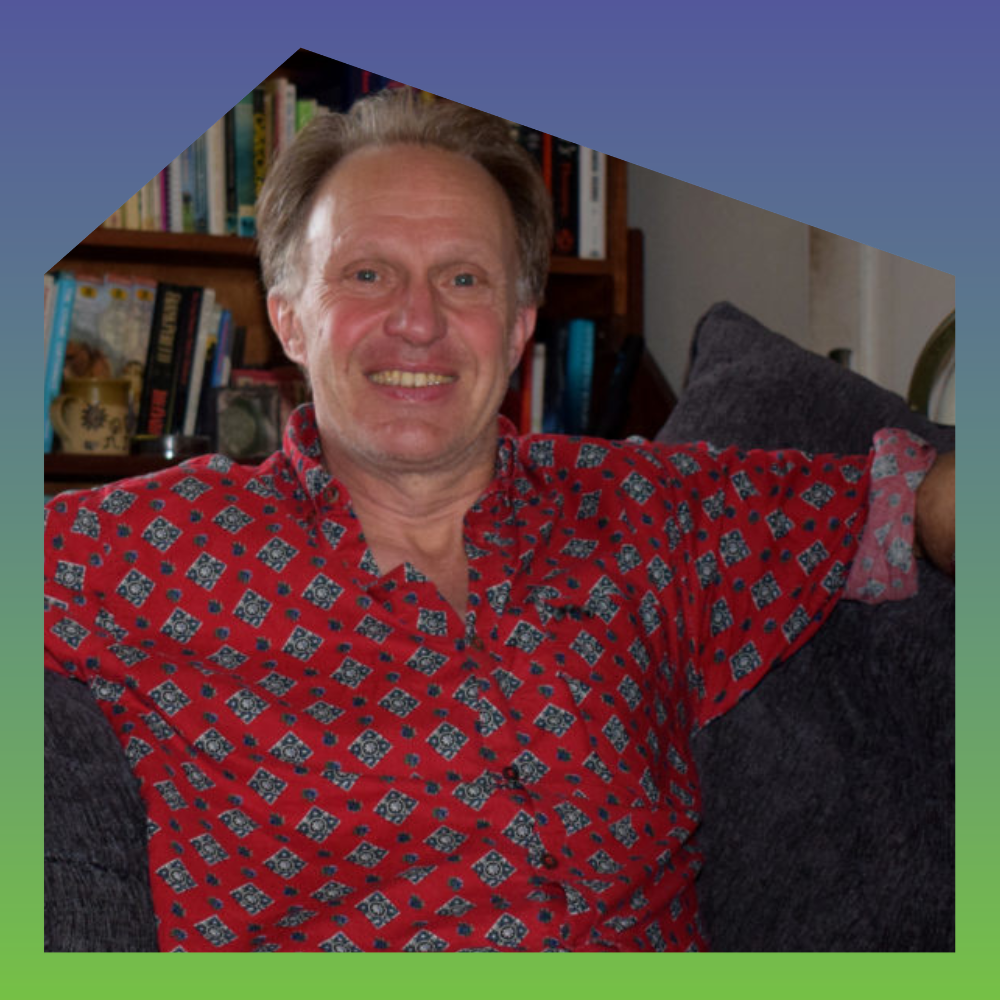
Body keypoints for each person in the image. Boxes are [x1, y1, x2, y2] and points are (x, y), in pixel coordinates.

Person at [44, 89, 955, 952]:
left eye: (465, 279)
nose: (417, 321)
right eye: (367, 274)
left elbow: (906, 503)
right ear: (289, 318)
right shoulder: (139, 552)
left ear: (519, 327)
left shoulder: (645, 512)